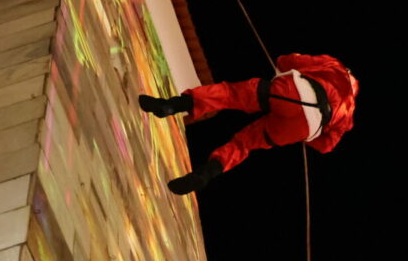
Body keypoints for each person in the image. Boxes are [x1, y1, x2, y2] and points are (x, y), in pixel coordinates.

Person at [139, 53, 358, 194]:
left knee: (230, 94)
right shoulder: (349, 111)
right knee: (245, 145)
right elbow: (326, 146)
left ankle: (172, 105)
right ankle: (204, 174)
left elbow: (289, 61)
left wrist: (282, 65)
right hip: (306, 127)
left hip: (294, 93)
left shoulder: (334, 66)